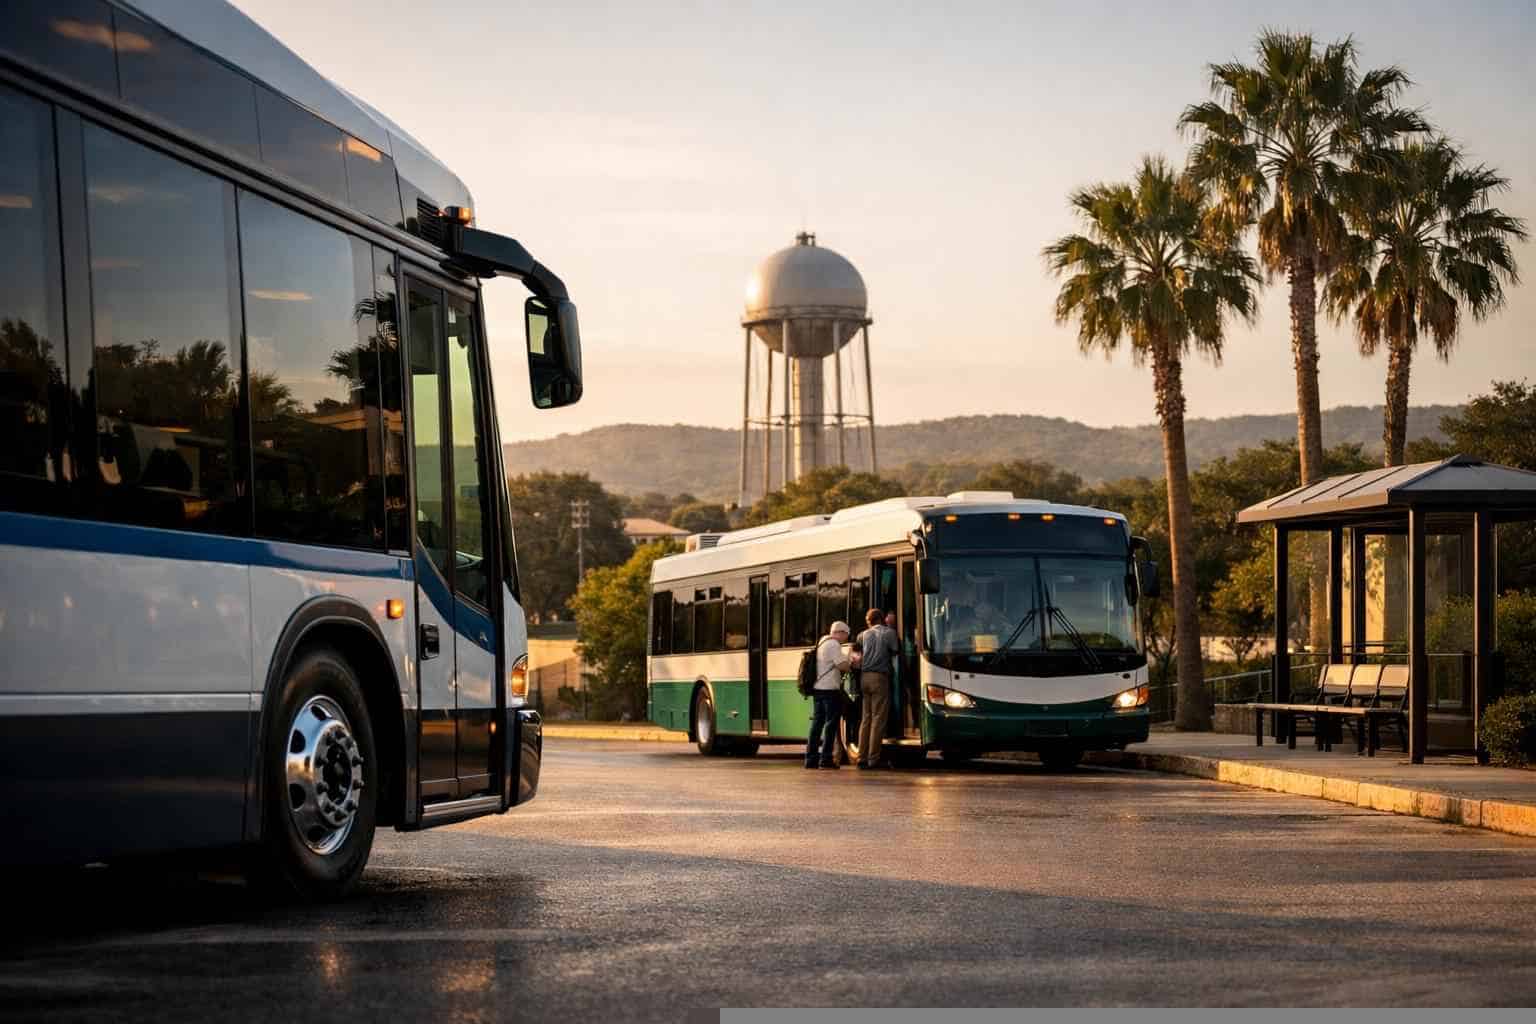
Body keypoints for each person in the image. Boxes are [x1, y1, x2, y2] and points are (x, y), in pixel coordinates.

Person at [805, 621, 855, 769]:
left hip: (818, 689)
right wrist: (850, 660)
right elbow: (842, 666)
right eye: (846, 635)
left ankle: (811, 759)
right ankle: (826, 759)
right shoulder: (833, 645)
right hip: (829, 690)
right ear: (840, 632)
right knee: (830, 724)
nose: (846, 639)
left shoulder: (822, 641)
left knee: (817, 724)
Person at [855, 608, 900, 769]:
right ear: (882, 619)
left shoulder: (862, 635)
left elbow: (857, 654)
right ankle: (873, 759)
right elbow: (895, 651)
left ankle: (861, 757)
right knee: (878, 719)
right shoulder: (888, 633)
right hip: (879, 678)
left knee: (866, 718)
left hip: (864, 678)